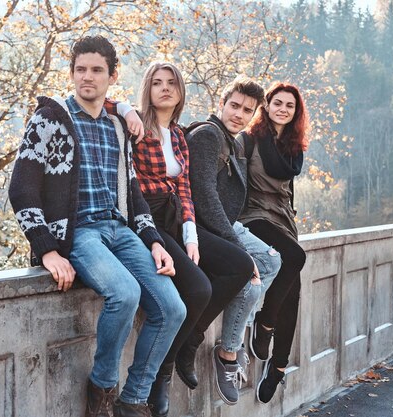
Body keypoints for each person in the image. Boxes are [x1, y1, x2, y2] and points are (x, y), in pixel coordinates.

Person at [8, 36, 186, 417]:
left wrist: (154, 240)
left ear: (112, 75)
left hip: (121, 231)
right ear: (72, 73)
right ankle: (103, 389)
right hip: (79, 234)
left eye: (96, 70)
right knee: (124, 293)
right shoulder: (51, 118)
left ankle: (134, 398)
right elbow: (21, 188)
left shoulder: (118, 126)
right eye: (80, 70)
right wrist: (47, 248)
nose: (87, 77)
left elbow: (133, 189)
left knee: (172, 308)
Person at [128, 62, 253, 417]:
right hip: (147, 219)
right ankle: (161, 375)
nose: (165, 88)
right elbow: (101, 104)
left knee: (240, 265)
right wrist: (123, 108)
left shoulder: (180, 136)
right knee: (198, 289)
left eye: (172, 83)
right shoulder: (134, 126)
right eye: (157, 83)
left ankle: (189, 342)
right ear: (147, 89)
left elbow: (184, 192)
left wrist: (192, 236)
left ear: (181, 90)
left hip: (176, 219)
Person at [182, 76, 282, 406]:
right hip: (208, 227)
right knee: (252, 268)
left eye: (247, 110)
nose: (239, 114)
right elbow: (204, 195)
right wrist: (233, 243)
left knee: (273, 260)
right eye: (234, 106)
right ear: (222, 103)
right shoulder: (208, 135)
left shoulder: (235, 142)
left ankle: (231, 345)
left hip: (228, 224)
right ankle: (227, 354)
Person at [239, 82, 309, 403]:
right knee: (296, 259)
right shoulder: (251, 140)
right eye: (277, 103)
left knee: (293, 292)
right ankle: (265, 323)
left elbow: (287, 191)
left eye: (289, 106)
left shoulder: (293, 149)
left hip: (282, 220)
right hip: (254, 216)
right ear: (266, 106)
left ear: (296, 113)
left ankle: (278, 368)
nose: (283, 109)